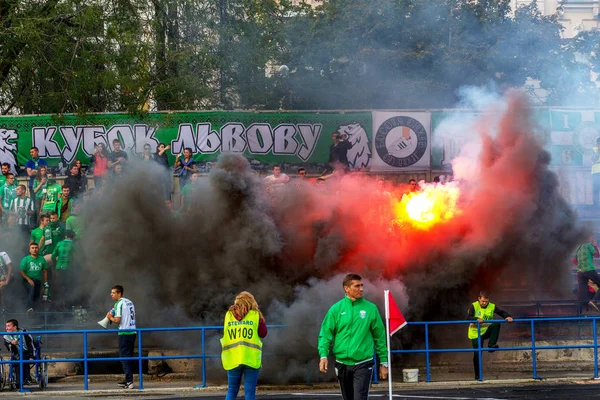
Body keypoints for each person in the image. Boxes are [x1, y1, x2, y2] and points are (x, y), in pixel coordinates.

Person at [318, 273, 388, 400]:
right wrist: (323, 355)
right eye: (357, 286)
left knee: (359, 398)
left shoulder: (371, 309)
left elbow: (380, 337)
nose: (361, 289)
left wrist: (384, 362)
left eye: (362, 285)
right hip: (341, 363)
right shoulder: (336, 309)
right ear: (346, 288)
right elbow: (325, 334)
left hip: (363, 363)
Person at [221, 291, 268, 400]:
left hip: (232, 358)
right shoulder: (255, 315)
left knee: (232, 390)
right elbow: (263, 333)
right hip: (250, 359)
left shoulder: (229, 315)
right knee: (250, 392)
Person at [467, 291, 513, 380]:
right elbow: (468, 317)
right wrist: (476, 319)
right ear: (479, 298)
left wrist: (507, 316)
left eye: (486, 302)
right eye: (483, 301)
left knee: (496, 324)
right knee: (477, 354)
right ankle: (477, 375)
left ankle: (491, 345)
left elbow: (501, 312)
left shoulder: (491, 306)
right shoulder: (474, 305)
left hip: (486, 330)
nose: (484, 303)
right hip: (475, 333)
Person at [105, 285, 136, 389]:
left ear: (119, 293)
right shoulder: (129, 301)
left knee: (124, 358)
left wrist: (110, 317)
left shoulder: (119, 304)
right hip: (133, 332)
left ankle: (129, 382)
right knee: (128, 357)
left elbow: (117, 320)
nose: (111, 294)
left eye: (113, 293)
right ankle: (128, 378)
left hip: (124, 333)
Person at [3, 319, 35, 385]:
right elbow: (9, 348)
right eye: (6, 326)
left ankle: (25, 379)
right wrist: (11, 344)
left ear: (14, 327)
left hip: (26, 352)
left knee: (22, 359)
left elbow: (31, 344)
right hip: (15, 353)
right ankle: (16, 380)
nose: (6, 328)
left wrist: (32, 356)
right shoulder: (6, 336)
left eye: (8, 326)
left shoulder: (24, 333)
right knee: (16, 361)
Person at [19, 242, 48, 313]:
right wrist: (28, 279)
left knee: (36, 297)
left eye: (36, 248)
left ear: (38, 249)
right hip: (27, 280)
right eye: (33, 248)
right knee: (32, 288)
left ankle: (34, 315)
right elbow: (21, 271)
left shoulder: (42, 259)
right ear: (30, 250)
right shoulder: (25, 259)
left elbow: (45, 272)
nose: (34, 249)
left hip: (37, 281)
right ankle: (29, 308)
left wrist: (45, 284)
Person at [51, 230, 76, 309]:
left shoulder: (59, 243)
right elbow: (80, 257)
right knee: (69, 286)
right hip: (69, 268)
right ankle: (68, 305)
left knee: (61, 285)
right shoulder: (73, 244)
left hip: (59, 268)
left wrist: (56, 265)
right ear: (73, 237)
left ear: (65, 236)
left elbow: (52, 256)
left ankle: (60, 304)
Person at [575, 236, 600, 312]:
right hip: (589, 269)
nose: (592, 239)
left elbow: (573, 260)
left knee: (581, 292)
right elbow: (597, 255)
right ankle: (594, 300)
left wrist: (581, 266)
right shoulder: (589, 245)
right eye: (591, 238)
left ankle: (578, 315)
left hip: (580, 272)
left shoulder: (578, 247)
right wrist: (595, 245)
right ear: (588, 239)